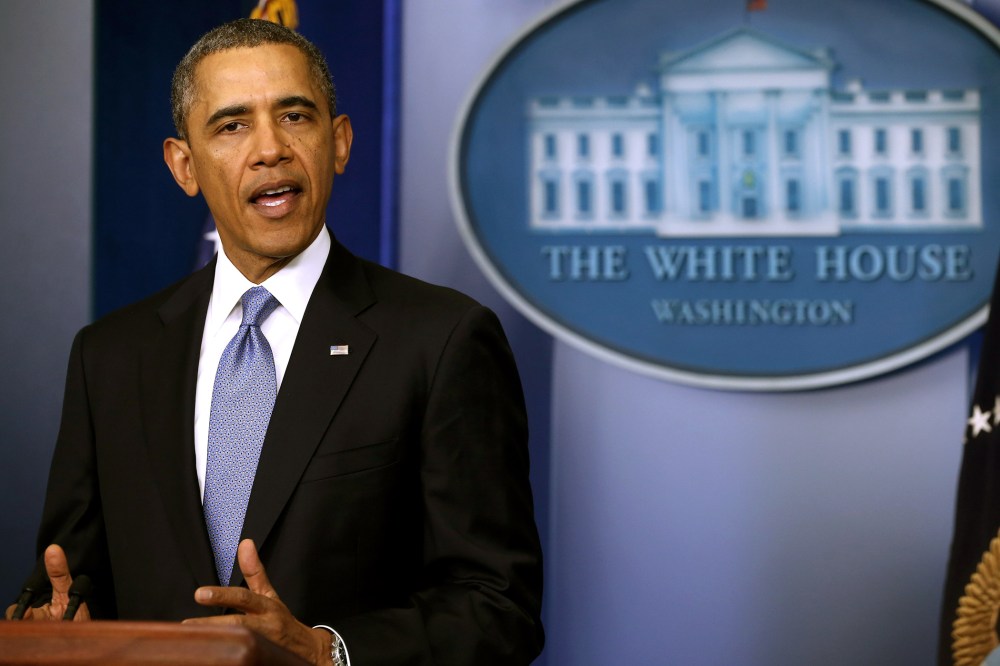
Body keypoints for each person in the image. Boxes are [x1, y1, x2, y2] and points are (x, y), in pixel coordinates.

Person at [7, 17, 544, 666]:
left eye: (294, 116)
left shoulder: (441, 340)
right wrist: (60, 623)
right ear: (183, 165)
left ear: (338, 143)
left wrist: (326, 651)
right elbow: (73, 579)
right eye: (232, 126)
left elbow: (498, 606)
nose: (270, 149)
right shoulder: (110, 356)